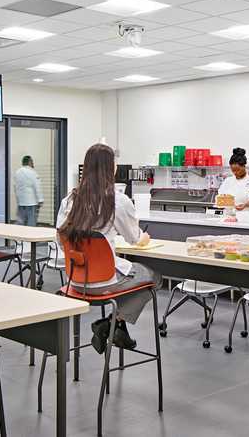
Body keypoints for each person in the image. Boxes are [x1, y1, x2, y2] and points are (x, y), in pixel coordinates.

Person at [57, 143, 159, 354]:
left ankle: (117, 326)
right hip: (105, 281)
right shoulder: (118, 201)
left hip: (75, 281)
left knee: (128, 275)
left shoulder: (69, 200)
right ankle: (113, 322)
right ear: (110, 167)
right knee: (154, 277)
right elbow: (134, 239)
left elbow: (60, 240)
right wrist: (144, 238)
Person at [217, 147, 249, 217]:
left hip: (247, 217)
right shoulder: (228, 181)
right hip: (229, 217)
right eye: (233, 170)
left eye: (237, 170)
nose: (235, 173)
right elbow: (221, 195)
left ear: (244, 166)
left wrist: (245, 205)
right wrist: (221, 202)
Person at [13, 155, 44, 226]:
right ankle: (29, 235)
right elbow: (37, 187)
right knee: (31, 221)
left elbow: (15, 186)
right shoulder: (32, 172)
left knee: (20, 221)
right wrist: (40, 199)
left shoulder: (17, 172)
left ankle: (17, 235)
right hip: (31, 202)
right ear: (29, 162)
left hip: (20, 201)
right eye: (31, 161)